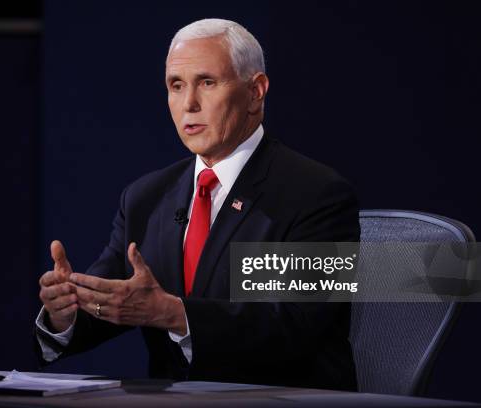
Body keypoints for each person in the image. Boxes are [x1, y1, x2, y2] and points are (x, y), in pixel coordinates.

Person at [35, 18, 359, 390]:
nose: (188, 103)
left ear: (256, 92)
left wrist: (176, 314)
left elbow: (292, 324)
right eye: (176, 86)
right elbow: (114, 301)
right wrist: (67, 311)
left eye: (207, 82)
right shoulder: (146, 197)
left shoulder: (314, 193)